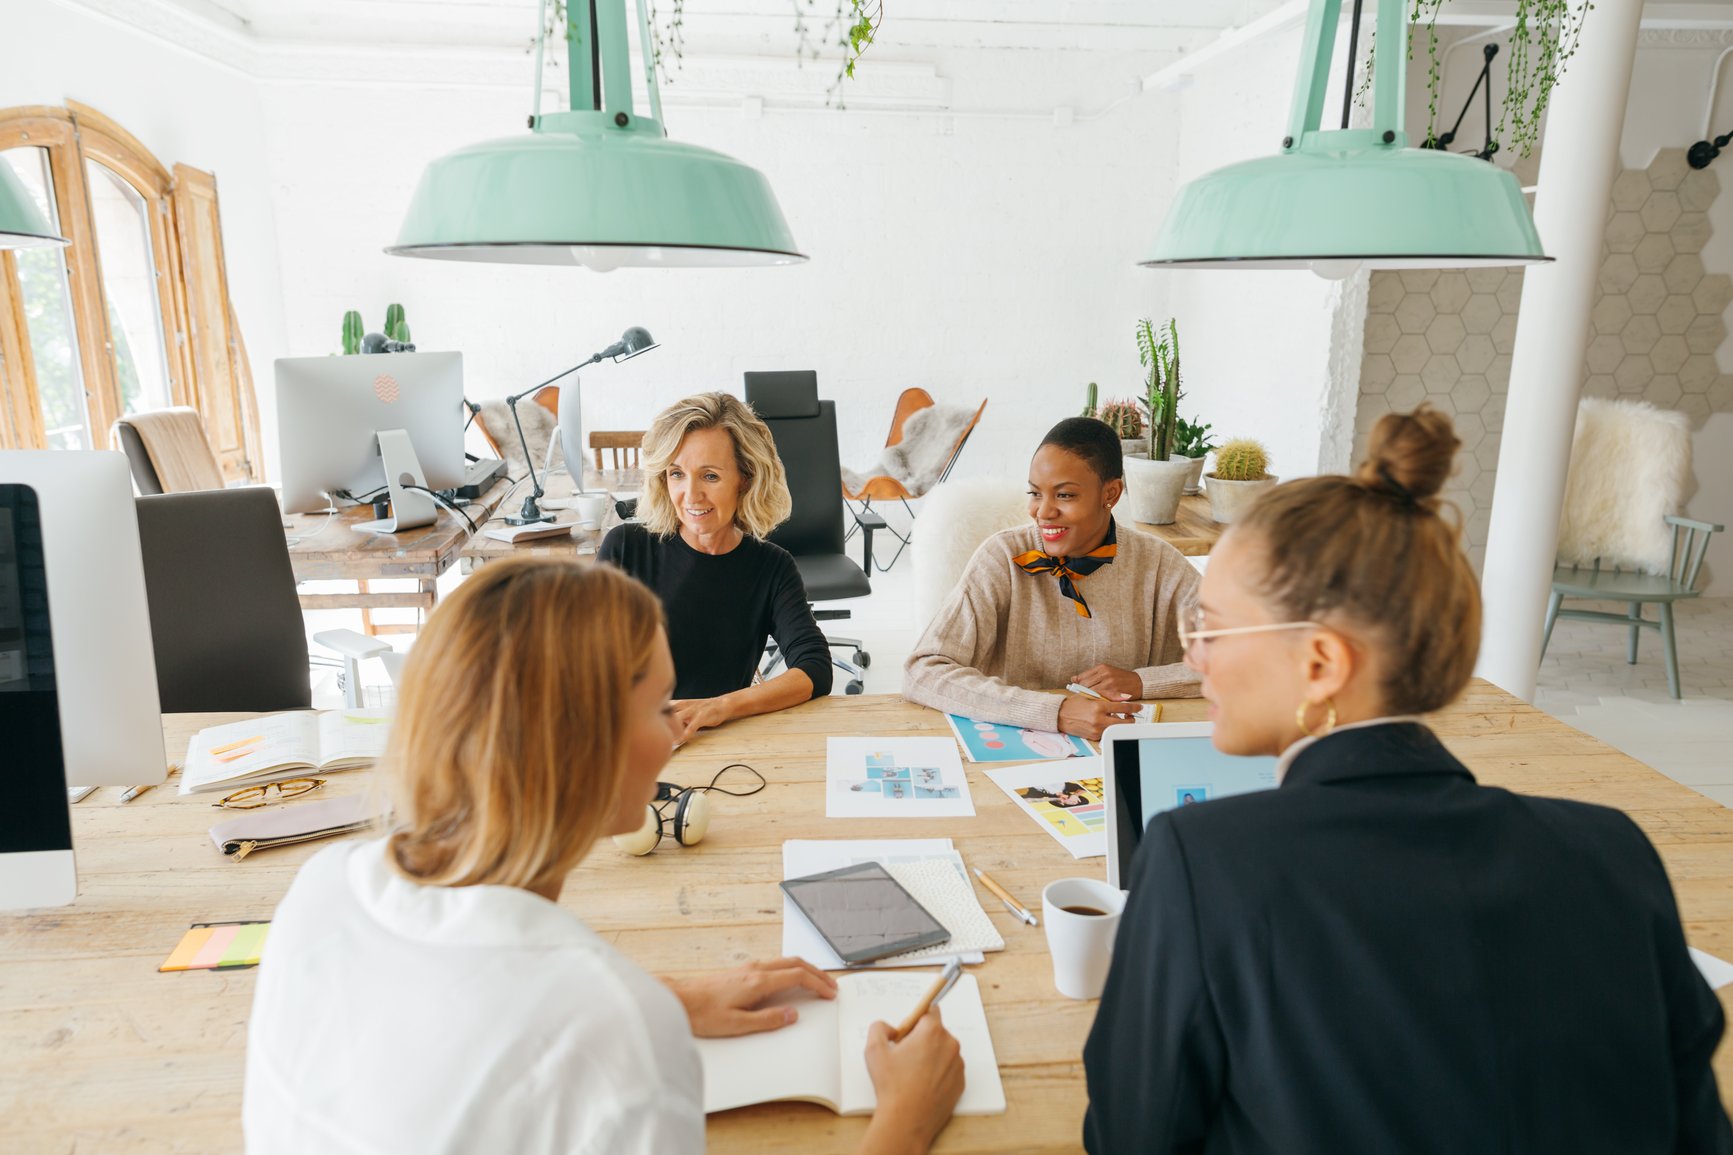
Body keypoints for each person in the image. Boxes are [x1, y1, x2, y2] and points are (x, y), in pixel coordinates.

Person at [1082, 408, 1732, 1154]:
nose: (1193, 657)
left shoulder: (1203, 863)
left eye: (1212, 630)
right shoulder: (1613, 849)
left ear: (1321, 663)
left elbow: (1132, 1135)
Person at [245, 558, 964, 1154]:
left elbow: (450, 1006)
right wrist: (902, 1122)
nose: (675, 733)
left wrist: (667, 999)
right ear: (581, 746)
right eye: (660, 707)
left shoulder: (321, 885)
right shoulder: (614, 1032)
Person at [903, 417, 1200, 740]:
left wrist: (1143, 682)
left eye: (1064, 496)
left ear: (1111, 493)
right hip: (1015, 753)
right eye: (1035, 493)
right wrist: (1055, 711)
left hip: (1117, 754)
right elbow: (923, 672)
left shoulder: (1157, 562)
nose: (1043, 512)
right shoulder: (1002, 557)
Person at [600, 392, 832, 743]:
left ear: (745, 479)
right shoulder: (626, 548)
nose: (691, 496)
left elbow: (814, 668)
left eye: (709, 476)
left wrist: (719, 707)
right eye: (677, 474)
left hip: (716, 744)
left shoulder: (772, 568)